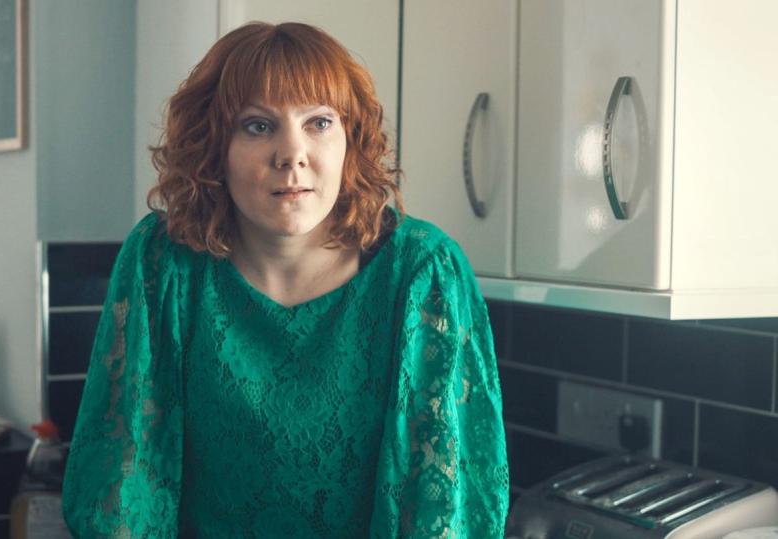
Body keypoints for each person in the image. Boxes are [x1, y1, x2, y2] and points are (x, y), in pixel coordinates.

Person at [62, 21, 508, 538]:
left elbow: (443, 512)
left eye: (319, 122)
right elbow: (124, 489)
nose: (292, 154)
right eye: (258, 126)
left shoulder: (422, 273)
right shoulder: (164, 264)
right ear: (213, 146)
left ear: (351, 140)